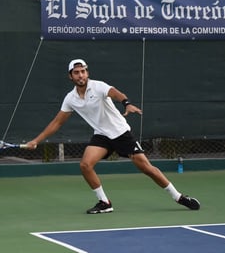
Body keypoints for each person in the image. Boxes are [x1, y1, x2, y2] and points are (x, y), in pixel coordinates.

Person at [26, 59, 200, 214]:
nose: (81, 75)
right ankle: (104, 202)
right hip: (102, 135)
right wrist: (36, 141)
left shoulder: (98, 86)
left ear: (87, 73)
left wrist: (127, 103)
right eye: (76, 72)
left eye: (83, 71)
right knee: (85, 165)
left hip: (120, 133)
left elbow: (116, 93)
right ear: (70, 76)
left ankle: (178, 197)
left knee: (146, 168)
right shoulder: (70, 98)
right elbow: (57, 122)